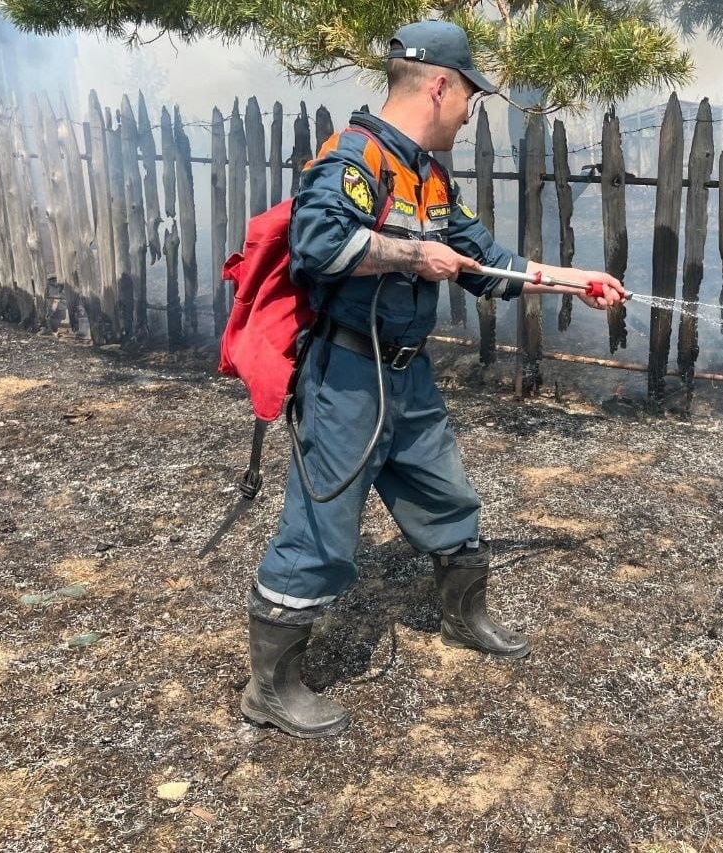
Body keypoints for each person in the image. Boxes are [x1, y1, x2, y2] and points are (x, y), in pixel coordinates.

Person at [240, 20, 627, 739]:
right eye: (469, 99)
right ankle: (271, 687)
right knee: (322, 532)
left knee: (449, 498)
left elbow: (486, 260)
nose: (468, 112)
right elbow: (319, 242)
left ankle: (464, 614)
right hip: (347, 376)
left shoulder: (428, 175)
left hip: (406, 377)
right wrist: (414, 256)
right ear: (440, 85)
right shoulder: (352, 157)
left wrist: (579, 282)